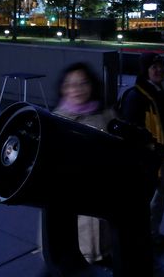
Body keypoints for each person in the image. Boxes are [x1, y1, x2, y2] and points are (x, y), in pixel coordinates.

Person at [47, 62, 116, 265]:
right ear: (63, 88)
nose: (77, 89)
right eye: (70, 84)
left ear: (92, 85)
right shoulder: (54, 121)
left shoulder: (106, 116)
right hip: (68, 202)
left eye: (83, 83)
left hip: (101, 199)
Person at [118, 53, 164, 252]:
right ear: (145, 70)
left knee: (160, 195)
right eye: (153, 67)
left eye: (161, 65)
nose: (159, 70)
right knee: (148, 198)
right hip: (145, 159)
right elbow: (129, 131)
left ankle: (152, 233)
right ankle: (143, 238)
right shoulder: (135, 96)